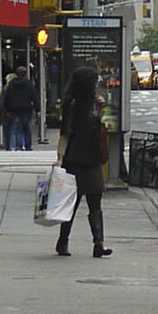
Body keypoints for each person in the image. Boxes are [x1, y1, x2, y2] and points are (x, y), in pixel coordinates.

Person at [54, 67, 112, 259]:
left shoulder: (93, 103)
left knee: (95, 203)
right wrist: (60, 157)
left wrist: (100, 109)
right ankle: (63, 241)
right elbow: (66, 132)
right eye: (94, 82)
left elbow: (95, 126)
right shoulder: (73, 103)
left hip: (91, 157)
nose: (97, 85)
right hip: (76, 159)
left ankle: (98, 243)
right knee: (73, 203)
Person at [0, 67, 38, 151]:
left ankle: (19, 145)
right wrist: (37, 109)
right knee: (27, 127)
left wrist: (7, 110)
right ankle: (28, 145)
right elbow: (34, 96)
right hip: (27, 109)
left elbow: (7, 97)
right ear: (26, 73)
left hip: (14, 109)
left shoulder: (11, 84)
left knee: (17, 128)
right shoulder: (28, 84)